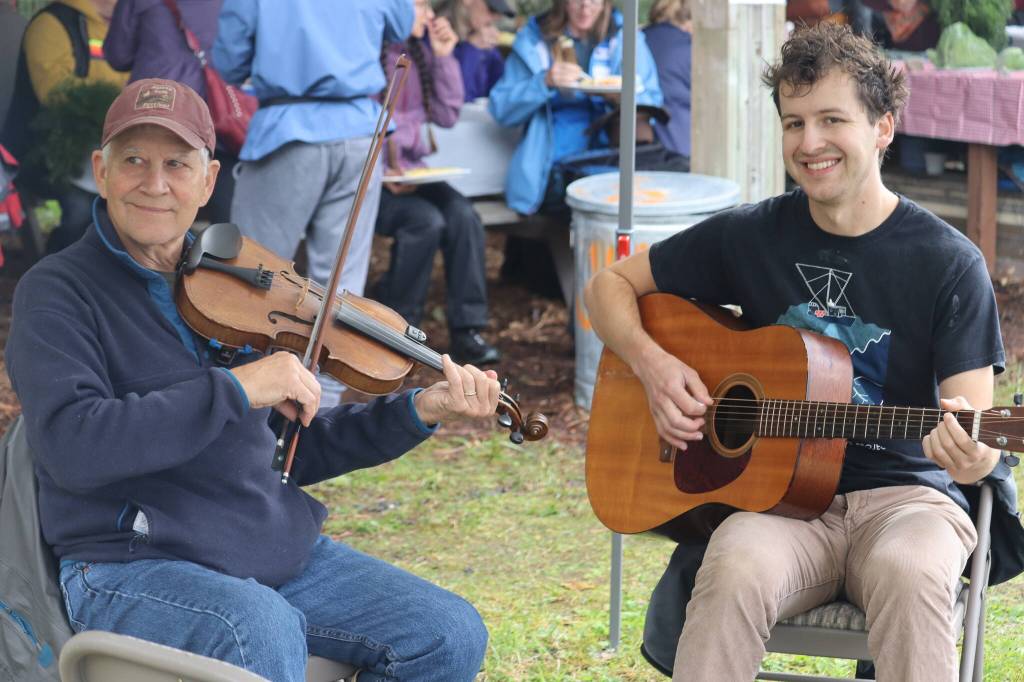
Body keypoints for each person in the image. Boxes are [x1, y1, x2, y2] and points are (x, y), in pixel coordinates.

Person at [5, 77, 492, 682]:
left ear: (208, 181)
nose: (154, 183)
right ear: (101, 172)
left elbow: (285, 452)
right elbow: (73, 445)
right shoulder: (58, 292)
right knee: (257, 626)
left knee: (447, 632)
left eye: (176, 165)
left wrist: (418, 410)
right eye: (134, 160)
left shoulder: (236, 285)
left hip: (264, 548)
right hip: (129, 564)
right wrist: (236, 389)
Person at [584, 23, 1024, 681]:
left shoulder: (948, 262)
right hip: (779, 505)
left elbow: (976, 435)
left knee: (910, 574)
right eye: (793, 122)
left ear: (883, 127)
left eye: (831, 119)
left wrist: (974, 451)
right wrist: (655, 366)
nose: (809, 142)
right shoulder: (751, 234)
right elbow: (607, 286)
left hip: (909, 501)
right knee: (729, 565)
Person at [212, 0, 413, 406]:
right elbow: (401, 22)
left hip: (290, 130)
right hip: (359, 131)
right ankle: (321, 408)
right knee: (340, 286)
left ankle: (244, 398)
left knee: (250, 278)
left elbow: (228, 60)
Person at [375, 0, 501, 366]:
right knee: (425, 222)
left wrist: (444, 57)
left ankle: (467, 331)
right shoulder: (369, 53)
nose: (430, 14)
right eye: (420, 5)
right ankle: (398, 331)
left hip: (411, 172)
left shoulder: (419, 52)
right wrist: (387, 167)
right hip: (371, 177)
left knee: (463, 214)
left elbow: (447, 115)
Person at [488, 0, 663, 216]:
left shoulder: (626, 37)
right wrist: (543, 82)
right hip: (552, 167)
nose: (585, 6)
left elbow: (652, 102)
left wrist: (619, 97)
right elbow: (501, 109)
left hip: (611, 159)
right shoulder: (535, 39)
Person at [1, 0, 128, 253]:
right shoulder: (51, 24)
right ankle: (56, 276)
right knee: (83, 208)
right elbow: (57, 95)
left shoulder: (131, 27)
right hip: (43, 152)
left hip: (112, 148)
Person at [104, 0, 236, 224]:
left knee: (141, 204)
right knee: (226, 219)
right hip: (218, 117)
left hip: (152, 113)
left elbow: (118, 54)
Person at [643, 0, 692, 159]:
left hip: (641, 148)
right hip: (680, 149)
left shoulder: (638, 38)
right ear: (688, 20)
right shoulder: (689, 47)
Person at [438, 0, 514, 101]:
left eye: (499, 13)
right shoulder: (436, 31)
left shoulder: (480, 38)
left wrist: (492, 52)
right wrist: (471, 49)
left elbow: (502, 92)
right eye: (491, 9)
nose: (495, 18)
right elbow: (457, 98)